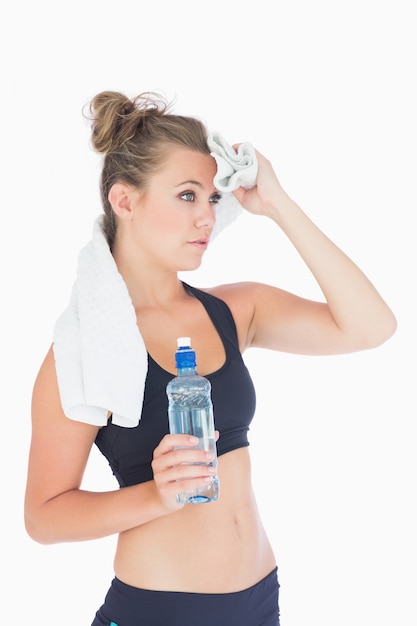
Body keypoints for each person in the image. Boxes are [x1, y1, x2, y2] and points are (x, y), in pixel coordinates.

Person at [24, 90, 397, 626]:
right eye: (186, 196)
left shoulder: (233, 309)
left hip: (260, 601)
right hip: (159, 611)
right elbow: (43, 516)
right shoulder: (84, 350)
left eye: (211, 199)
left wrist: (278, 205)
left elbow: (370, 327)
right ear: (125, 202)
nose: (205, 217)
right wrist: (158, 496)